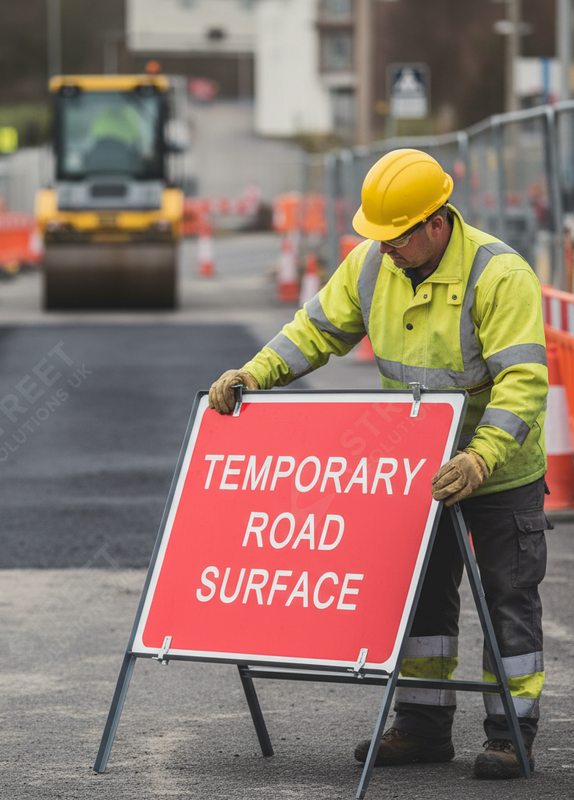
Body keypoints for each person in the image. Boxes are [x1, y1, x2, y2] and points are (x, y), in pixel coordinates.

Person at [209, 148, 550, 780]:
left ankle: (511, 734)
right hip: (421, 470)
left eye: (397, 238)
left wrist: (480, 459)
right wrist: (256, 373)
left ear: (436, 223)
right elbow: (315, 330)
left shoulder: (500, 275)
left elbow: (523, 384)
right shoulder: (372, 264)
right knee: (421, 600)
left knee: (509, 599)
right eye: (381, 239)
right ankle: (423, 728)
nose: (386, 249)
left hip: (498, 472)